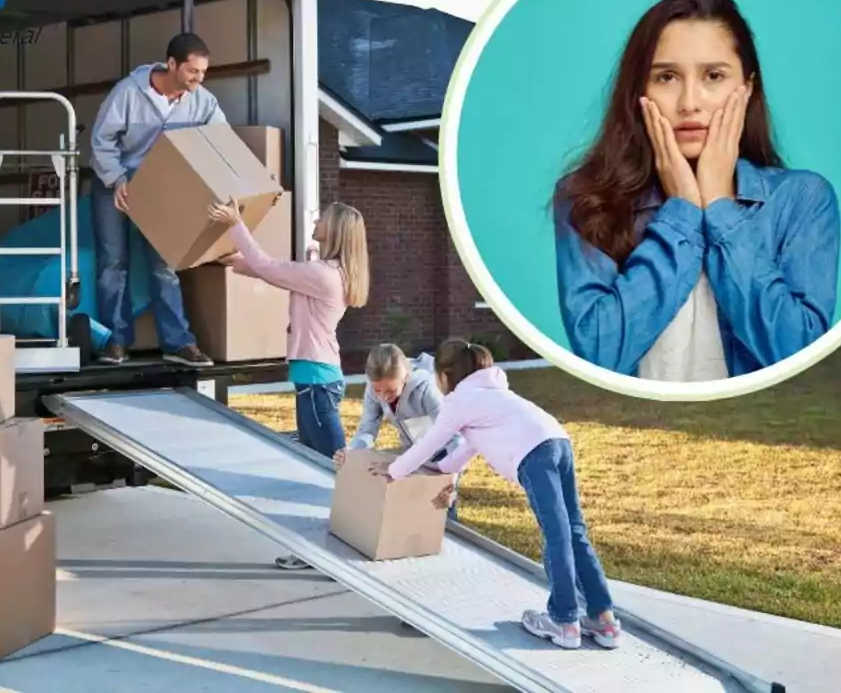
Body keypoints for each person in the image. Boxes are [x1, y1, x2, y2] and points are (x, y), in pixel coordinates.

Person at [552, 0, 840, 382]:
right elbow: (599, 355)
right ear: (640, 91)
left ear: (747, 88)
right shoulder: (584, 198)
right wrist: (682, 212)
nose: (690, 102)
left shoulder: (803, 199)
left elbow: (796, 354)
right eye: (667, 77)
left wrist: (720, 207)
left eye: (714, 76)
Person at [370, 338, 621, 650]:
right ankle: (604, 619)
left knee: (557, 537)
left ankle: (564, 620)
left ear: (445, 376)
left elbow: (429, 442)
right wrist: (443, 469)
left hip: (536, 455)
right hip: (558, 441)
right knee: (574, 531)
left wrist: (395, 471)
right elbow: (467, 448)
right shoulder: (493, 394)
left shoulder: (460, 401)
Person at [208, 199, 370, 572]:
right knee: (319, 471)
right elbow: (269, 271)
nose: (316, 220)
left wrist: (236, 223)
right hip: (315, 379)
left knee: (332, 473)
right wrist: (228, 261)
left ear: (336, 231)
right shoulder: (326, 272)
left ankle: (344, 551)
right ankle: (319, 550)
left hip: (316, 382)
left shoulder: (324, 275)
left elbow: (270, 267)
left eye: (322, 219)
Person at [88, 32, 226, 367]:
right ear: (172, 64)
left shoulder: (203, 101)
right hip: (116, 181)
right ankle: (115, 342)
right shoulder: (128, 93)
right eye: (193, 71)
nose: (199, 78)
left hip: (163, 188)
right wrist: (117, 179)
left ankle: (177, 343)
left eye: (203, 73)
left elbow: (219, 141)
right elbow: (100, 140)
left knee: (165, 265)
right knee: (113, 263)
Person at [336, 343, 462, 521]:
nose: (383, 397)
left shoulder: (427, 390)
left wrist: (451, 483)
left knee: (441, 513)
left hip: (445, 455)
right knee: (413, 513)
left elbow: (456, 439)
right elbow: (367, 429)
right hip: (413, 454)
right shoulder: (374, 388)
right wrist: (352, 452)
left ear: (406, 377)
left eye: (390, 391)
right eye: (378, 390)